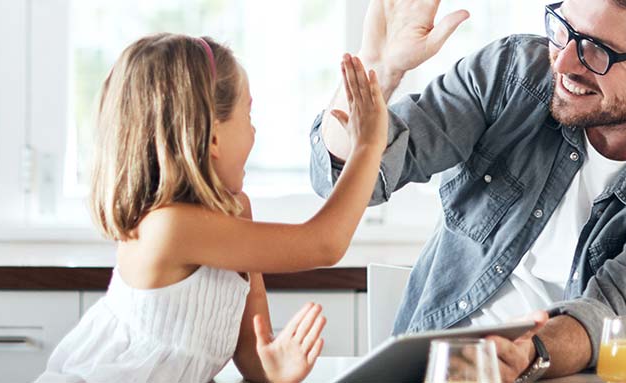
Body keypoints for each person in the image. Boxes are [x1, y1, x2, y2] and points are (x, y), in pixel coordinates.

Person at [309, 0, 626, 380]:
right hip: (438, 369)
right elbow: (348, 182)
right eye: (563, 28)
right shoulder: (511, 73)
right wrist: (379, 70)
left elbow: (614, 314)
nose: (562, 62)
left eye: (597, 51)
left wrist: (530, 355)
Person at [37, 33, 390, 383]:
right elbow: (324, 243)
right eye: (248, 115)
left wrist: (273, 367)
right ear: (214, 137)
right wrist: (368, 145)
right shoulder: (168, 227)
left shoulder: (234, 213)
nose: (254, 133)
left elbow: (252, 352)